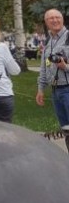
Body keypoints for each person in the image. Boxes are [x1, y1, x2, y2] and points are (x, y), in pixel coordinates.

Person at [36, 8, 69, 152]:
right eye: (51, 18)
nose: (55, 20)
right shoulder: (49, 42)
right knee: (66, 130)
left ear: (62, 19)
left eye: (57, 17)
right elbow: (44, 68)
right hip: (56, 92)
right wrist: (40, 89)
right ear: (46, 22)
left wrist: (66, 67)